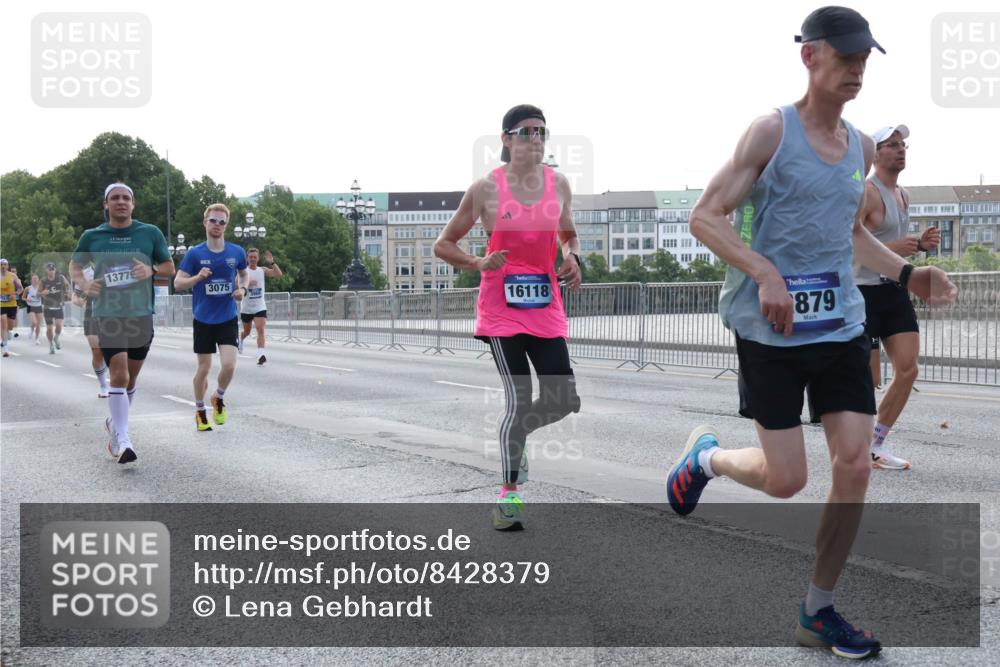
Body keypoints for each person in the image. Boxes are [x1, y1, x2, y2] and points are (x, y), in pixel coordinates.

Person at [674, 7, 957, 659]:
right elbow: (705, 216)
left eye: (865, 58)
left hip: (838, 325)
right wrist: (763, 269)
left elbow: (849, 231)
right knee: (785, 480)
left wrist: (907, 271)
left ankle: (817, 610)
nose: (858, 67)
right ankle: (705, 459)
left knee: (854, 463)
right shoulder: (770, 133)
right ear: (810, 57)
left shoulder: (859, 145)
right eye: (846, 55)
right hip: (769, 329)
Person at [434, 104, 583, 531]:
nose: (535, 139)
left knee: (562, 400)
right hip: (500, 308)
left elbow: (567, 232)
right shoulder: (485, 189)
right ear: (506, 139)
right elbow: (443, 245)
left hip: (545, 304)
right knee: (518, 399)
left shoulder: (558, 184)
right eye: (525, 131)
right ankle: (509, 495)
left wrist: (572, 257)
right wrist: (478, 263)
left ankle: (517, 438)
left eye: (542, 131)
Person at [70, 183, 175, 464]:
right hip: (108, 314)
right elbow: (75, 266)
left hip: (141, 313)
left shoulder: (149, 233)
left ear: (133, 204)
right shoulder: (93, 237)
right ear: (106, 205)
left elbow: (169, 267)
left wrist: (150, 269)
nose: (121, 202)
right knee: (118, 374)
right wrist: (84, 284)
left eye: (126, 198)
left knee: (131, 378)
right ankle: (124, 440)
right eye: (114, 198)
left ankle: (115, 423)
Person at [855, 124, 939, 470]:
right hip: (861, 292)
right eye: (891, 145)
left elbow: (893, 250)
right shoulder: (866, 193)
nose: (900, 149)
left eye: (903, 144)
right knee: (868, 378)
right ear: (875, 154)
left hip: (893, 291)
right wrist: (895, 249)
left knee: (907, 369)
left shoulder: (903, 195)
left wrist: (918, 245)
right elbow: (845, 246)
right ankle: (850, 443)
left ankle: (874, 444)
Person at [174, 204, 248, 431]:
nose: (217, 225)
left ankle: (218, 396)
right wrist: (197, 277)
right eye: (213, 220)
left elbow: (244, 274)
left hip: (226, 317)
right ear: (205, 222)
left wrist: (242, 290)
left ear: (226, 225)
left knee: (229, 364)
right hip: (203, 319)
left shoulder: (236, 252)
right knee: (204, 368)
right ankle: (199, 410)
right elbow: (177, 284)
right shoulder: (195, 254)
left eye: (222, 222)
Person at [72, 264, 111, 397]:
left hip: (110, 315)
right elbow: (75, 297)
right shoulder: (84, 273)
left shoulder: (112, 267)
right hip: (91, 315)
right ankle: (103, 385)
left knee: (109, 351)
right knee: (97, 351)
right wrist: (81, 301)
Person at [239, 247, 283, 365]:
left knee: (260, 329)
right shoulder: (243, 272)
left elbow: (278, 274)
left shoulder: (262, 270)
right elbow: (236, 287)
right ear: (247, 259)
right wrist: (247, 285)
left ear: (258, 259)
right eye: (250, 257)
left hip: (259, 306)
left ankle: (261, 354)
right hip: (246, 307)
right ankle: (241, 339)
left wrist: (272, 262)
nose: (253, 259)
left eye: (255, 257)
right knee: (247, 332)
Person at [40, 262, 70, 354]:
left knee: (59, 325)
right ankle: (51, 345)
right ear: (46, 271)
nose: (51, 271)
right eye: (49, 269)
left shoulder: (61, 278)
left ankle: (56, 338)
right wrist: (42, 293)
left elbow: (67, 286)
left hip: (58, 305)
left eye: (52, 269)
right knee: (49, 328)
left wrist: (66, 292)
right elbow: (38, 292)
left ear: (55, 270)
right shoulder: (43, 280)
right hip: (47, 307)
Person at [0, 258, 22, 357]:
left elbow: (21, 288)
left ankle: (9, 331)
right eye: (1, 264)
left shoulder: (13, 276)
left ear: (7, 266)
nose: (3, 266)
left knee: (10, 326)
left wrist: (15, 294)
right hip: (1, 304)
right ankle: (5, 348)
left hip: (12, 304)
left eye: (4, 264)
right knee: (3, 323)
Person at [22, 274, 44, 345]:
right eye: (33, 279)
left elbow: (45, 295)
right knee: (34, 322)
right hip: (31, 306)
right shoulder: (28, 288)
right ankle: (31, 330)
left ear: (38, 280)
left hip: (38, 306)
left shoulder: (40, 288)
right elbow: (23, 297)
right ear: (31, 280)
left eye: (36, 279)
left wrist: (42, 294)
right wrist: (27, 299)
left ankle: (37, 339)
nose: (35, 280)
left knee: (38, 324)